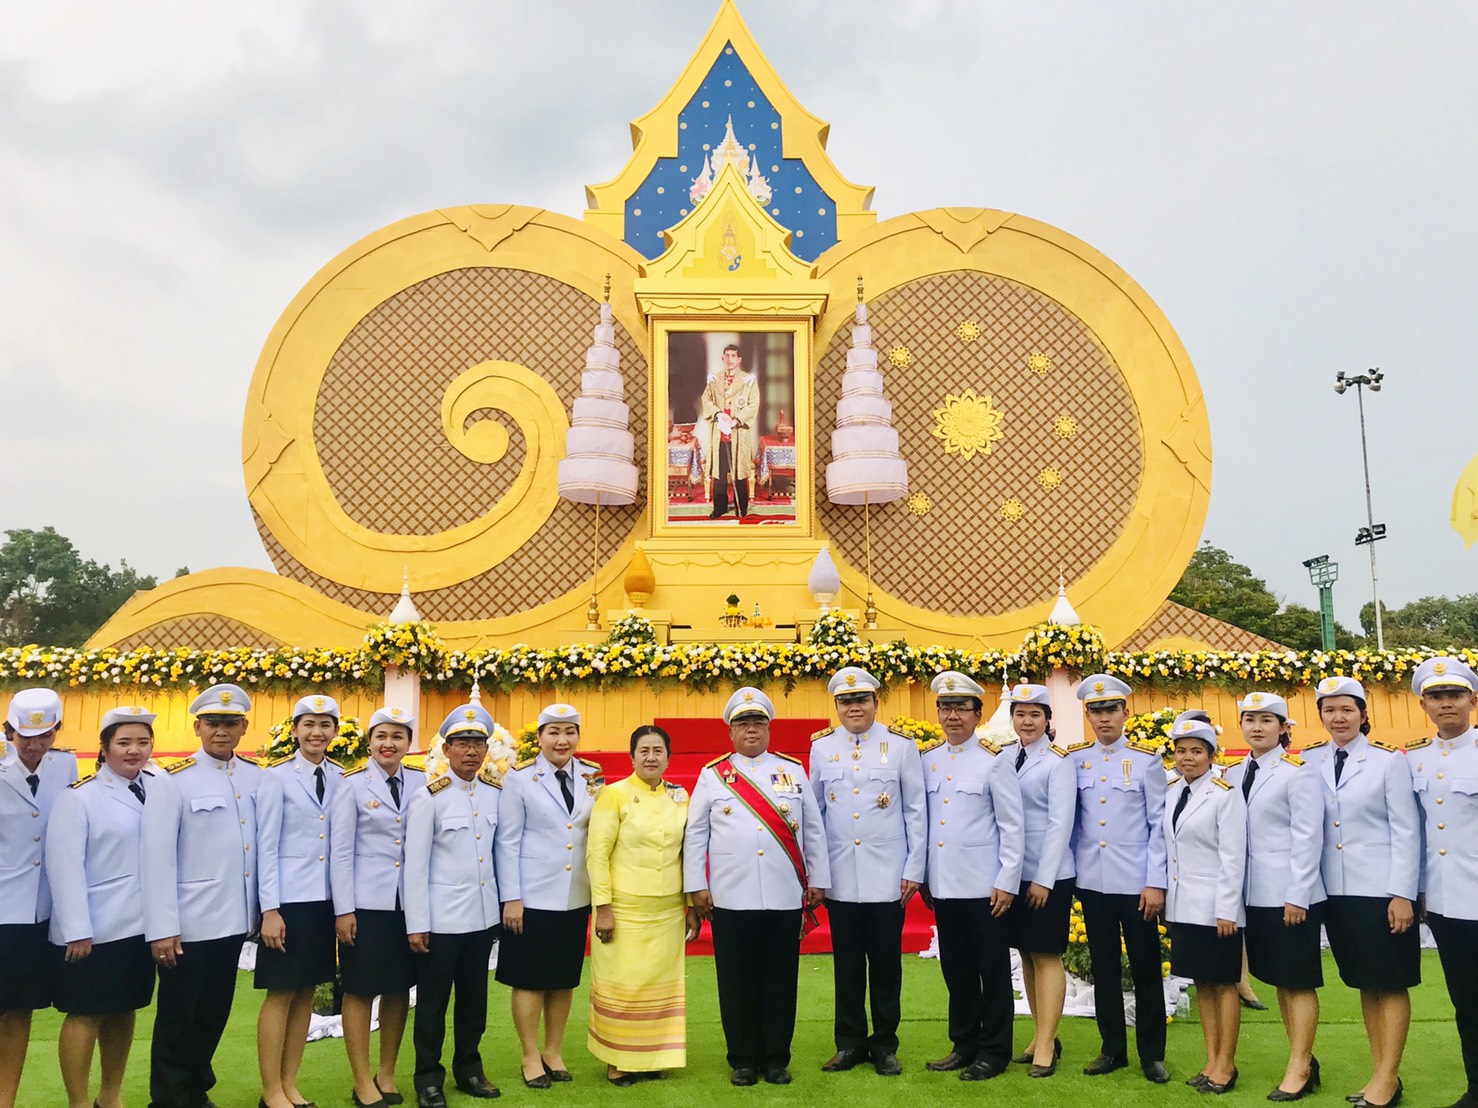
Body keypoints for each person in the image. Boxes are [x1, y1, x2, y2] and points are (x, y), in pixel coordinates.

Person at [685, 688, 829, 1087]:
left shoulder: (792, 771)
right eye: (743, 723)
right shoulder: (713, 775)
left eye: (758, 723)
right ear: (730, 731)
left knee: (781, 980)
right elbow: (695, 834)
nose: (751, 730)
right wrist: (696, 885)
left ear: (769, 728)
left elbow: (814, 830)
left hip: (783, 894)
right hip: (732, 896)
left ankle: (777, 1058)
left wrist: (818, 879)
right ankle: (743, 1058)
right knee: (736, 981)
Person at [140, 682, 265, 1108]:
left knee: (214, 1014)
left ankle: (195, 1089)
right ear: (197, 727)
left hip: (232, 921)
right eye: (213, 723)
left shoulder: (254, 778)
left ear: (244, 726)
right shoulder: (172, 781)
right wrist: (162, 928)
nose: (221, 732)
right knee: (178, 1018)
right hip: (188, 925)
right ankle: (169, 1097)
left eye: (230, 723)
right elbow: (156, 860)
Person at [1304, 675, 1420, 1108]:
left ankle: (1388, 1079)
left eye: (1347, 709)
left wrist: (1402, 893)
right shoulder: (1310, 760)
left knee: (1389, 984)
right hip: (1335, 890)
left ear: (1363, 715)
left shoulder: (1389, 761)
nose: (1339, 717)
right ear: (1320, 716)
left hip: (1381, 890)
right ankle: (1380, 1074)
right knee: (1365, 985)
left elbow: (1407, 830)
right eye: (1330, 710)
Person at [809, 666, 926, 1076]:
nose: (854, 707)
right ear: (837, 706)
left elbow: (916, 810)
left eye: (861, 700)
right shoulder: (822, 748)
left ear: (876, 703)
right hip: (841, 876)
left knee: (886, 965)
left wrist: (914, 867)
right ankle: (849, 1043)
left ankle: (885, 1044)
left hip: (887, 876)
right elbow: (816, 816)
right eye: (846, 701)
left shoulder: (900, 747)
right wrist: (817, 874)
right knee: (847, 965)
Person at [44, 706, 158, 1108]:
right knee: (85, 1015)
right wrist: (77, 927)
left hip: (141, 925)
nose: (134, 751)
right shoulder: (80, 797)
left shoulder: (159, 785)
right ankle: (78, 1101)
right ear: (105, 748)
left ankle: (110, 1096)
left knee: (124, 1010)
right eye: (124, 743)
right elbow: (63, 865)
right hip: (94, 928)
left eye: (142, 742)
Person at [918, 671, 1024, 1082]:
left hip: (985, 886)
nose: (952, 716)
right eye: (945, 708)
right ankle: (963, 1043)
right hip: (944, 884)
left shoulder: (994, 760)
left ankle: (994, 1050)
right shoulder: (928, 760)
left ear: (978, 714)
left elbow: (1012, 827)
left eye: (962, 708)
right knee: (957, 970)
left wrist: (1006, 881)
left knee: (992, 971)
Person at [1222, 691, 1326, 1101]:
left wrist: (1298, 895)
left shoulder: (1296, 772)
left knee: (1297, 981)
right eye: (1250, 719)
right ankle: (1304, 1058)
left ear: (1284, 728)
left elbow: (1308, 837)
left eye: (1267, 720)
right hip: (1252, 894)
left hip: (1289, 895)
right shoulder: (1231, 772)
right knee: (1281, 980)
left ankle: (1300, 1065)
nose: (1257, 727)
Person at [495, 703, 603, 1090]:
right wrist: (511, 897)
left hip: (575, 893)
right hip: (531, 896)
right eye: (554, 732)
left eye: (570, 732)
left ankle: (553, 1051)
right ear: (539, 737)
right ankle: (529, 1054)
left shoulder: (593, 775)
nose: (562, 740)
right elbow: (506, 841)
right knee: (529, 979)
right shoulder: (520, 778)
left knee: (562, 978)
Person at [1069, 673, 1171, 1083]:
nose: (1104, 718)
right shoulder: (1076, 760)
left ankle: (1152, 1054)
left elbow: (1158, 825)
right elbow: (1074, 823)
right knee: (1104, 968)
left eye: (1111, 709)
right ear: (1087, 715)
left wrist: (1155, 881)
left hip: (1136, 884)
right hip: (1093, 881)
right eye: (1096, 711)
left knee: (1146, 967)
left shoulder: (1147, 760)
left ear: (1126, 712)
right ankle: (1112, 1049)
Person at [405, 704, 503, 1107]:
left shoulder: (496, 793)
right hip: (441, 920)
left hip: (481, 918)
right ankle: (428, 1077)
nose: (471, 751)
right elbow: (415, 864)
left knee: (474, 1002)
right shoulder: (430, 796)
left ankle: (469, 1068)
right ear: (446, 749)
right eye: (462, 743)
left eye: (478, 743)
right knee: (432, 1004)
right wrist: (417, 922)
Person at [587, 724, 693, 1086]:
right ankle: (619, 1060)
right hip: (624, 910)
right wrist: (603, 906)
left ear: (668, 757)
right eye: (643, 750)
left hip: (667, 912)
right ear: (632, 756)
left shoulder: (680, 797)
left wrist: (691, 902)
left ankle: (653, 1057)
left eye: (658, 751)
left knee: (660, 988)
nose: (651, 757)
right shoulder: (612, 795)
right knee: (624, 988)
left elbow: (688, 853)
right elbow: (597, 855)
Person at [255, 694, 345, 1108]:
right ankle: (271, 1089)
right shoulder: (275, 778)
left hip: (323, 900)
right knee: (281, 993)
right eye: (308, 724)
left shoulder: (342, 777)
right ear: (294, 730)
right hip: (288, 902)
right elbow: (265, 845)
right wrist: (269, 909)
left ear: (335, 733)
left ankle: (290, 1083)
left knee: (306, 992)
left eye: (325, 725)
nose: (316, 733)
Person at [332, 705, 424, 1108]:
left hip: (409, 903)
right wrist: (343, 909)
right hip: (366, 904)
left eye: (398, 736)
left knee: (399, 988)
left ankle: (386, 1072)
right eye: (382, 736)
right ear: (369, 742)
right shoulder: (351, 785)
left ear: (409, 743)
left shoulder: (423, 782)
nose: (389, 744)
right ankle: (360, 1078)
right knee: (360, 989)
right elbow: (340, 852)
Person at [1407, 657, 1478, 1108]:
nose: (1446, 703)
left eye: (1454, 694)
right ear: (1424, 705)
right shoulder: (1414, 759)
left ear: (1472, 699)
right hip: (1447, 905)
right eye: (1436, 696)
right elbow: (1413, 832)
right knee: (1468, 1004)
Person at [1164, 716, 1248, 1095]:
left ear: (1212, 755)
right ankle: (1211, 1058)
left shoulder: (1225, 793)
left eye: (1196, 751)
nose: (1187, 758)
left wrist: (1228, 908)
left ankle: (1226, 1064)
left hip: (1217, 907)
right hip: (1184, 906)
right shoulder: (1172, 790)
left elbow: (1234, 856)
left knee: (1223, 983)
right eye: (1181, 751)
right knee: (1202, 984)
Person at [0, 688, 74, 1108]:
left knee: (18, 1009)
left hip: (38, 912)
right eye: (23, 735)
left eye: (44, 734)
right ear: (8, 730)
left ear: (56, 731)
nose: (32, 744)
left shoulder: (64, 766)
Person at [1003, 682, 1077, 1077]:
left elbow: (1059, 824)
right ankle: (1039, 1033)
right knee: (1027, 955)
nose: (1027, 721)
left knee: (1047, 955)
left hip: (1047, 876)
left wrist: (1043, 880)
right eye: (1020, 713)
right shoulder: (1004, 756)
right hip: (1016, 873)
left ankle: (1048, 1043)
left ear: (1048, 720)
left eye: (1035, 714)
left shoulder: (1058, 762)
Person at [697, 342, 759, 519]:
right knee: (719, 474)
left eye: (734, 356)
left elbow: (753, 404)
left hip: (738, 433)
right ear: (722, 358)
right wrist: (717, 414)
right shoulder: (714, 379)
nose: (730, 359)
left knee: (739, 472)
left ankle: (742, 507)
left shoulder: (749, 380)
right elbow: (706, 400)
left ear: (739, 359)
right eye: (727, 356)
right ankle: (720, 507)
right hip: (719, 434)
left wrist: (737, 420)